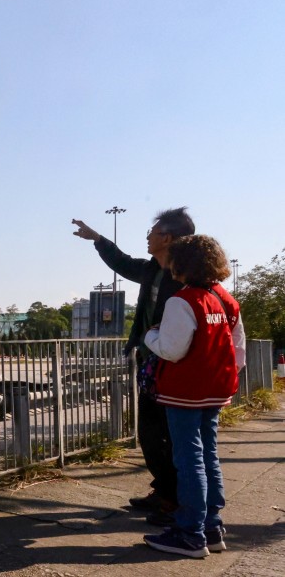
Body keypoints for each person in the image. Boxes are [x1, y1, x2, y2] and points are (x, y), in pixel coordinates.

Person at [72, 207, 195, 525]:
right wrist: (97, 239)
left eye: (152, 232)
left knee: (167, 435)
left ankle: (176, 500)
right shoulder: (153, 271)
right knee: (150, 433)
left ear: (166, 238)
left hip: (173, 364)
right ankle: (165, 490)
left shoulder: (185, 279)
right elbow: (123, 262)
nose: (147, 237)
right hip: (150, 361)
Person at [141, 234, 246, 558]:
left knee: (188, 460)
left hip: (185, 392)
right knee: (207, 456)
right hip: (215, 390)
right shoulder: (225, 299)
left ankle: (190, 532)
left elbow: (172, 350)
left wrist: (150, 336)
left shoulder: (183, 300)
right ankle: (211, 527)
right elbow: (238, 349)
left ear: (181, 263)